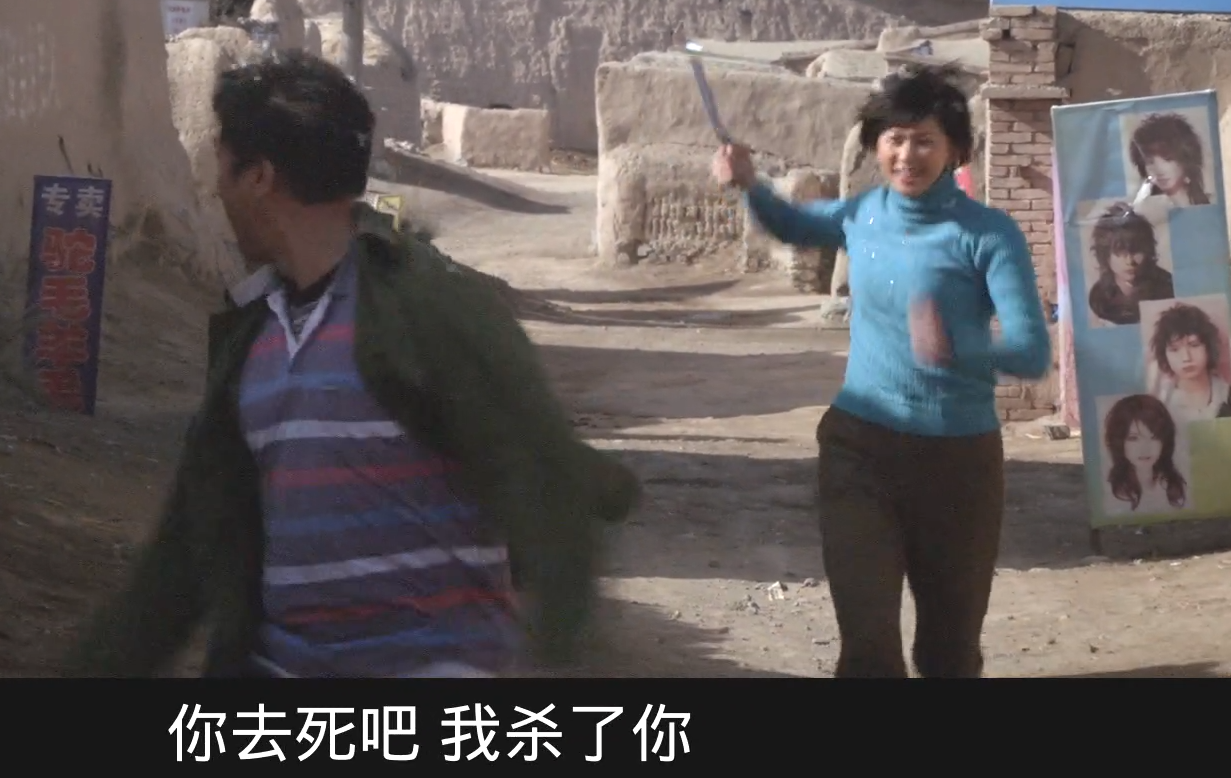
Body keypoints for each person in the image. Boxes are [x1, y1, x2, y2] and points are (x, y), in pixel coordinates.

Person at [64, 51, 640, 678]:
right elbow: (183, 556)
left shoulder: (429, 310)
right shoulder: (251, 339)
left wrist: (555, 654)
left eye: (222, 168)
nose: (216, 191)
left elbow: (541, 480)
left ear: (259, 177)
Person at [711, 64, 1051, 678]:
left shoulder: (988, 235)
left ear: (954, 149)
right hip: (859, 448)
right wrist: (749, 183)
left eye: (924, 140)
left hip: (958, 464)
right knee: (867, 648)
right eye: (894, 138)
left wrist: (958, 349)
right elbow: (792, 224)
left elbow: (1030, 352)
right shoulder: (862, 212)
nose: (906, 155)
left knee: (948, 652)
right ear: (875, 145)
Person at [1086, 203, 1174, 326]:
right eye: (1120, 252)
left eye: (1136, 251)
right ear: (1105, 256)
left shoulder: (1168, 288)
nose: (1130, 261)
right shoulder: (1099, 298)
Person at [1102, 394, 1187, 514]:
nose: (1144, 448)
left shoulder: (1174, 486)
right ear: (1119, 442)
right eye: (1133, 438)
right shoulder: (1110, 491)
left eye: (1154, 437)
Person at [1147, 302, 1231, 423]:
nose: (1186, 358)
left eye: (1194, 345)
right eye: (1174, 349)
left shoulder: (1226, 393)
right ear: (1164, 355)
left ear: (1209, 347)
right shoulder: (1160, 404)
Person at [1128, 112, 1210, 207]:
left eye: (1168, 159)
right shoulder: (1143, 208)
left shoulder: (1212, 204)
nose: (1159, 170)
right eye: (1150, 162)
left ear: (1186, 159)